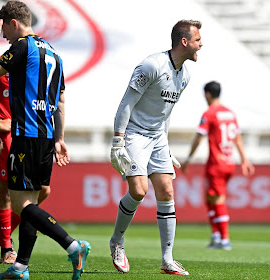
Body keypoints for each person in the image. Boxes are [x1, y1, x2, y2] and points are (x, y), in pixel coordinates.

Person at [0, 1, 90, 279]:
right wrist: (60, 138)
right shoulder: (55, 53)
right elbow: (62, 100)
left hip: (25, 135)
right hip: (46, 137)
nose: (5, 35)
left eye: (5, 29)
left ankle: (72, 246)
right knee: (32, 201)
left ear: (12, 23)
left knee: (23, 205)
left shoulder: (22, 46)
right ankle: (20, 267)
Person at [110, 19, 203, 275]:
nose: (201, 44)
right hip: (135, 134)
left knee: (166, 192)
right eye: (197, 40)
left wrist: (167, 143)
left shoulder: (185, 75)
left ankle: (167, 260)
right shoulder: (152, 65)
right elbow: (126, 103)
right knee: (139, 191)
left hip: (158, 137)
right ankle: (117, 241)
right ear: (184, 42)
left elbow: (166, 113)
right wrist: (118, 140)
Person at [0, 58, 51, 265]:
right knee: (5, 192)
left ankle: (3, 232)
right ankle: (7, 248)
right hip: (6, 135)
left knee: (43, 190)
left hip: (30, 133)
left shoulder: (35, 63)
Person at [181, 81, 254, 250]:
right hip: (229, 162)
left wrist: (188, 159)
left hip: (216, 163)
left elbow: (199, 137)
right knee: (209, 197)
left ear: (207, 94)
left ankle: (225, 239)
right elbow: (237, 138)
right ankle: (215, 235)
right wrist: (244, 159)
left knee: (218, 198)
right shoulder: (230, 113)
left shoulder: (209, 113)